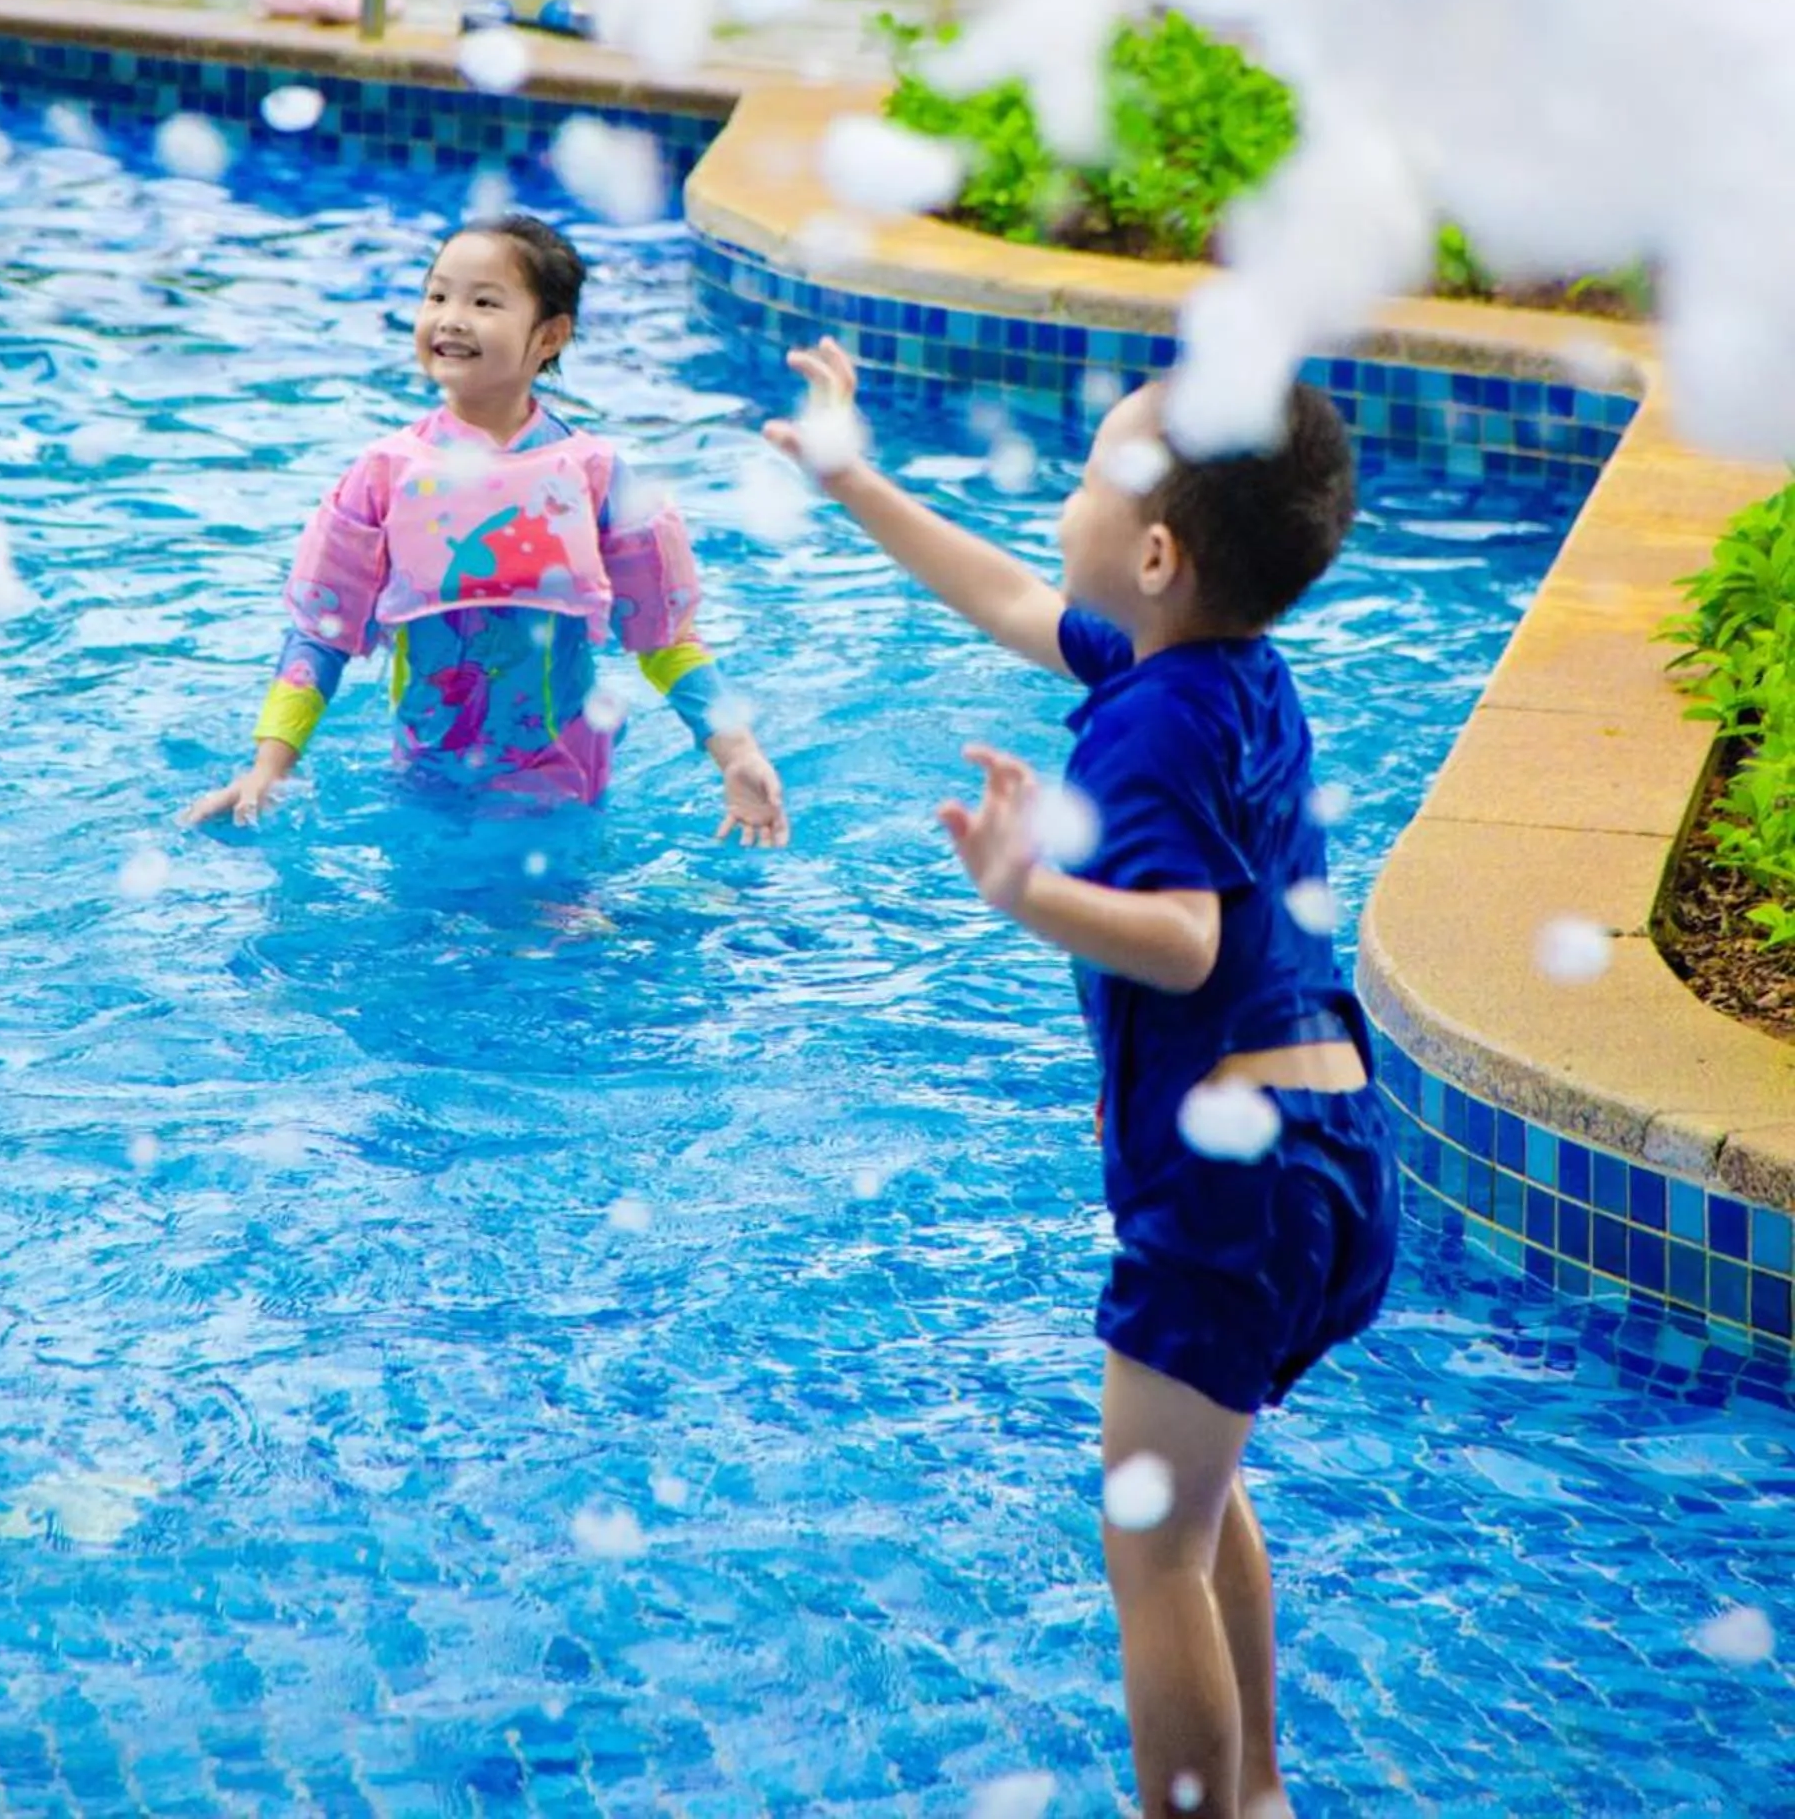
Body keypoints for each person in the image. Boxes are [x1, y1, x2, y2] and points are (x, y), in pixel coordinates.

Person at [767, 342, 1394, 1819]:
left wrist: (1024, 891)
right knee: (1199, 1496)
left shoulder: (1159, 722)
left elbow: (1180, 943)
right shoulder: (1216, 670)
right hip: (1323, 1146)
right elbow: (1003, 598)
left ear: (1159, 552)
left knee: (1148, 1546)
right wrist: (853, 478)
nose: (1063, 502)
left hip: (1228, 1170)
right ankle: (1259, 1798)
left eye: (1088, 480)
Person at [185, 214, 787, 845]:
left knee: (555, 930)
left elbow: (665, 638)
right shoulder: (384, 475)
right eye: (437, 295)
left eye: (483, 302)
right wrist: (268, 769)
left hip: (559, 783)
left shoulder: (595, 477)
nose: (450, 317)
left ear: (550, 336)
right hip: (424, 778)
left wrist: (737, 754)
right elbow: (320, 635)